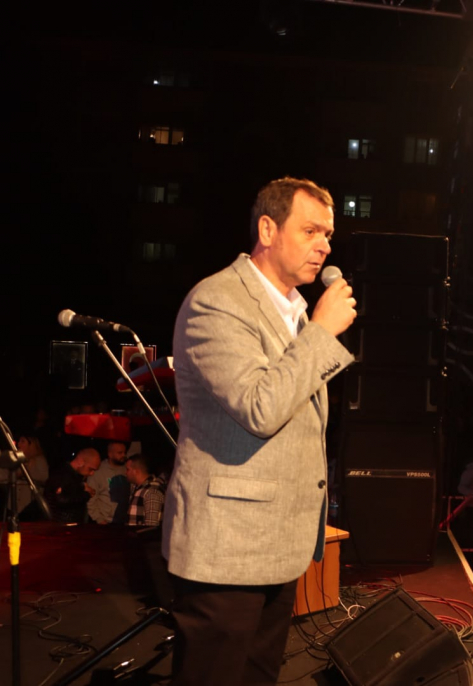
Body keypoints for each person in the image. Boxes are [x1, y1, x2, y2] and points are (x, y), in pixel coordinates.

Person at [162, 177, 357, 686]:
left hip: (277, 545)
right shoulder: (218, 300)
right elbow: (259, 407)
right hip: (225, 549)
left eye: (328, 234)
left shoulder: (295, 311)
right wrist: (321, 332)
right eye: (311, 230)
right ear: (268, 230)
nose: (324, 245)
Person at [43, 447, 101, 523]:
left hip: (69, 523)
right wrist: (86, 494)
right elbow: (62, 499)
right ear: (80, 462)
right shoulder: (62, 474)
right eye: (90, 469)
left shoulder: (72, 475)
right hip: (61, 523)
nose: (92, 473)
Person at [87, 440, 130, 524]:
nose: (123, 455)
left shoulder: (127, 470)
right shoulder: (99, 471)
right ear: (110, 454)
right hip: (105, 521)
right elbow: (91, 499)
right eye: (120, 453)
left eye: (124, 452)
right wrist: (99, 519)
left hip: (124, 521)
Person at [126, 453, 165, 526]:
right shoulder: (137, 489)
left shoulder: (152, 492)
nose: (126, 473)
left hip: (143, 533)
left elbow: (151, 525)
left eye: (128, 469)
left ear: (136, 471)